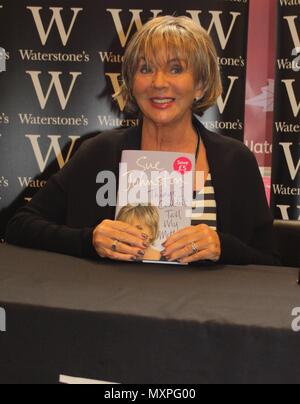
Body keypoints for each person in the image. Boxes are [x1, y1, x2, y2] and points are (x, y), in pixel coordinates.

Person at [5, 16, 280, 266]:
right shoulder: (99, 152)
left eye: (175, 69)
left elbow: (271, 261)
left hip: (204, 318)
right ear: (131, 82)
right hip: (116, 313)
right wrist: (89, 240)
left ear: (200, 85)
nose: (158, 82)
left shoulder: (235, 160)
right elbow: (19, 225)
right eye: (146, 68)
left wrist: (223, 247)